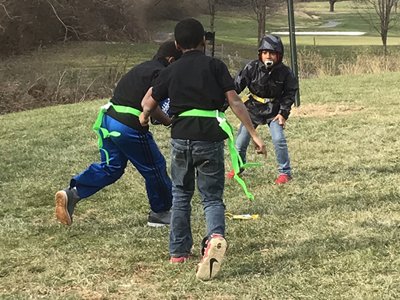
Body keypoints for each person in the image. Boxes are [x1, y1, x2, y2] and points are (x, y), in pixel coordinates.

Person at [139, 18, 266, 281]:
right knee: (211, 197)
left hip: (181, 138)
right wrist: (253, 133)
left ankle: (178, 252)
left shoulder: (170, 70)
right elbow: (235, 101)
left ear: (176, 45)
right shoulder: (215, 65)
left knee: (181, 193)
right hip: (209, 139)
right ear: (204, 42)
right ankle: (215, 238)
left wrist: (143, 117)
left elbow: (149, 100)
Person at [55, 41, 182, 227]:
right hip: (128, 125)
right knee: (155, 167)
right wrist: (168, 121)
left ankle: (72, 193)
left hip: (108, 119)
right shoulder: (161, 74)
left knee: (111, 167)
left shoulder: (142, 67)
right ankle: (160, 213)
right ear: (171, 60)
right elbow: (151, 105)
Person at [230, 34, 298, 184]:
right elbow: (234, 87)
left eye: (272, 53)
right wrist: (221, 105)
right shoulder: (251, 68)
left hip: (274, 109)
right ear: (260, 54)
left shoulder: (285, 72)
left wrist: (283, 113)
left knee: (279, 139)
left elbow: (290, 92)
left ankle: (285, 173)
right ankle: (238, 168)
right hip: (253, 108)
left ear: (279, 55)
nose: (268, 56)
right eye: (265, 53)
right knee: (240, 142)